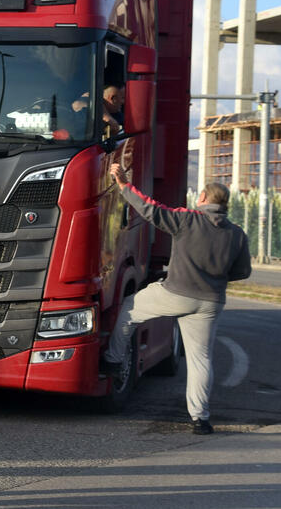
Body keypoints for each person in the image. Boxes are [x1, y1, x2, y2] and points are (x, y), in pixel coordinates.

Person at [102, 163, 252, 434]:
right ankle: (200, 419)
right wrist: (214, 278)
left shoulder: (187, 219)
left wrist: (124, 185)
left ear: (204, 199)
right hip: (210, 302)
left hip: (175, 293)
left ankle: (112, 359)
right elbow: (242, 272)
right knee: (201, 359)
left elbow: (150, 209)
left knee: (129, 309)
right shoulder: (237, 234)